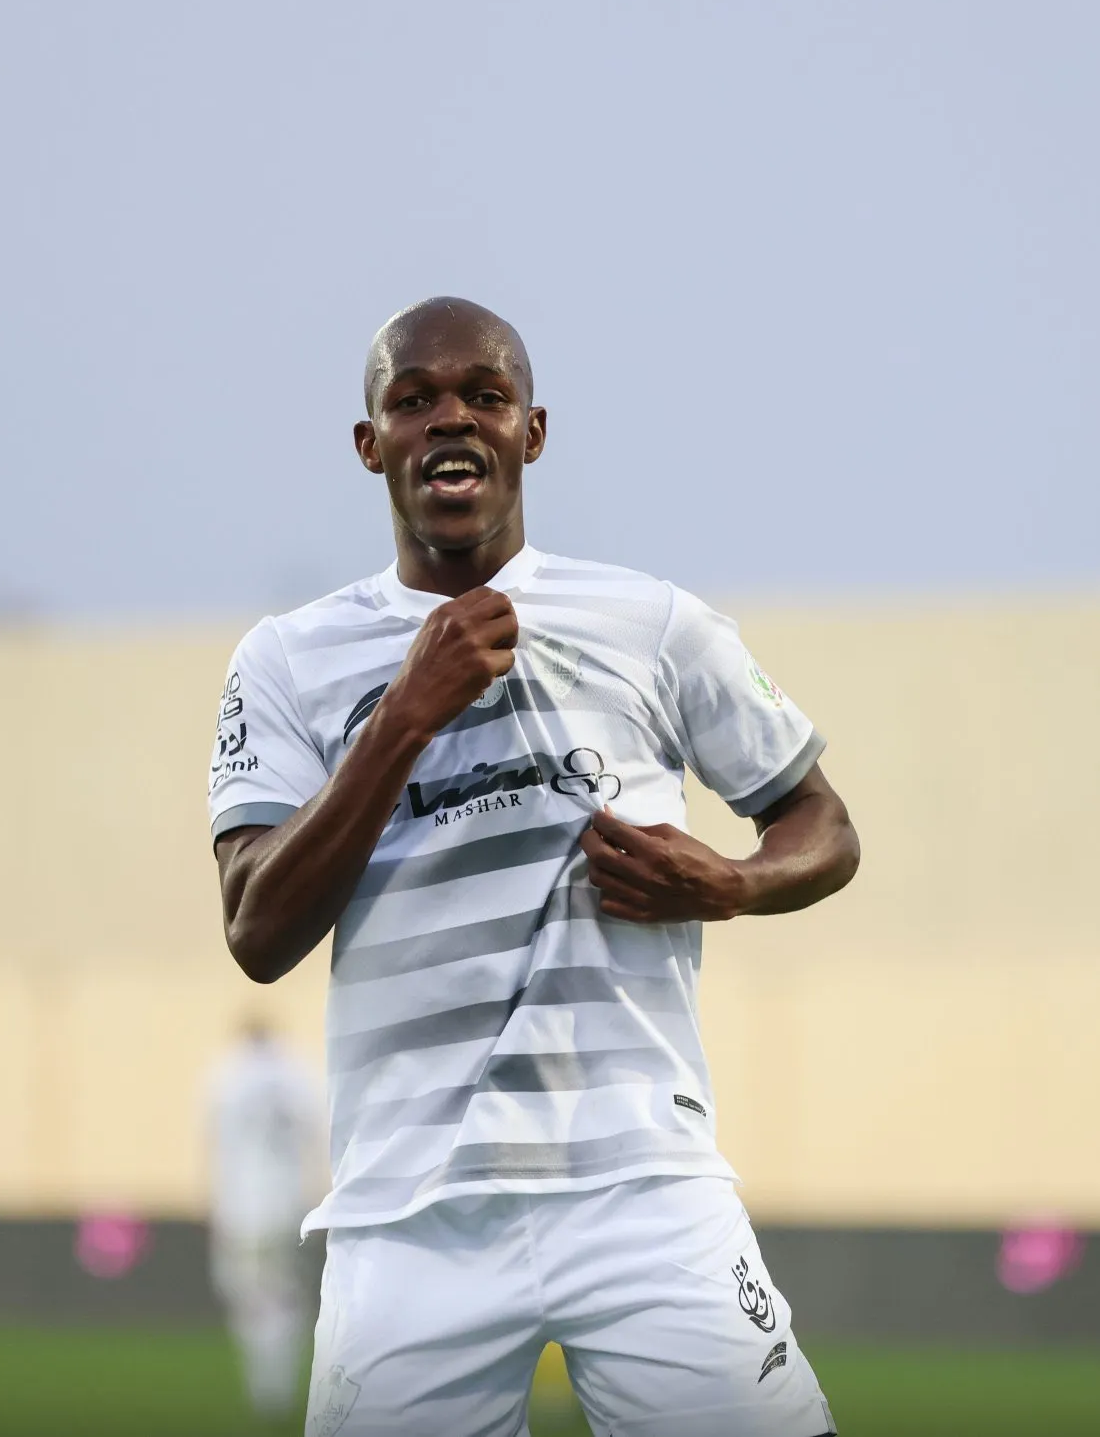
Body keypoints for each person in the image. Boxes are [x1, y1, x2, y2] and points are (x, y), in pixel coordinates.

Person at [207, 296, 859, 1437]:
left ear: (532, 431)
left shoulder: (653, 623)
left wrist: (732, 882)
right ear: (371, 443)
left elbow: (822, 824)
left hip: (642, 1188)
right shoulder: (286, 659)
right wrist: (405, 713)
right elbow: (257, 930)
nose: (451, 418)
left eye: (485, 395)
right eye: (414, 399)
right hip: (407, 1214)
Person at [206, 1017, 321, 1423]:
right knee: (286, 1294)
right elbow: (317, 1134)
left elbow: (212, 1141)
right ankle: (280, 1385)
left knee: (249, 1295)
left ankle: (264, 1387)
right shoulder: (296, 1071)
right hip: (288, 1202)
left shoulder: (226, 1072)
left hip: (240, 1205)